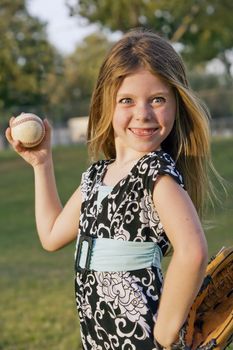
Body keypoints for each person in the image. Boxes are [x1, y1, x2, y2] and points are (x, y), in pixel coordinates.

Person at [6, 28, 220, 349]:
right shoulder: (97, 177)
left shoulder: (155, 175)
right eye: (127, 100)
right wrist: (42, 164)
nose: (143, 113)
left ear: (177, 104)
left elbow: (192, 251)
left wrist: (163, 334)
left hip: (138, 335)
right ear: (106, 105)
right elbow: (51, 235)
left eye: (158, 99)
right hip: (98, 334)